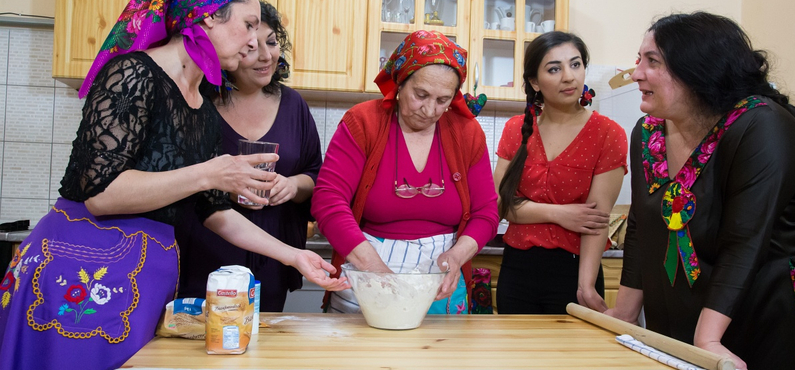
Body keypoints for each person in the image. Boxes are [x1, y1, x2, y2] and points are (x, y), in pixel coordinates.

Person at [0, 0, 348, 368]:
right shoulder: (133, 72)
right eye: (248, 25)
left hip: (147, 274)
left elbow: (212, 210)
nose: (253, 43)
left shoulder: (202, 107)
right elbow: (100, 195)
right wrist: (209, 173)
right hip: (81, 270)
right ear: (208, 17)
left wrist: (294, 256)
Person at [604, 12, 795, 369]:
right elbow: (640, 225)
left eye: (652, 61)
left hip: (762, 322)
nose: (636, 74)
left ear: (697, 70)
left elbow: (746, 240)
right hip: (683, 324)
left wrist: (707, 338)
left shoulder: (762, 126)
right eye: (639, 60)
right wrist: (624, 312)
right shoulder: (647, 132)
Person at [311, 30, 499, 314]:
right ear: (400, 82)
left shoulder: (467, 133)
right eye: (420, 95)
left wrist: (457, 256)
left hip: (441, 279)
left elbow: (487, 211)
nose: (429, 110)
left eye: (442, 99)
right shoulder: (363, 122)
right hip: (367, 268)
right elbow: (328, 200)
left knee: (439, 355)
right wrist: (373, 267)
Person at [175, 1, 320, 313]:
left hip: (272, 253)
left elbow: (316, 174)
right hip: (203, 249)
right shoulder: (199, 102)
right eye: (251, 47)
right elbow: (177, 178)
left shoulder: (294, 106)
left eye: (271, 43)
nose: (265, 56)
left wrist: (293, 185)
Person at [493, 31, 628, 314]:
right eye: (554, 69)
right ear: (534, 82)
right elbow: (501, 204)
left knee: (572, 358)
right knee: (516, 356)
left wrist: (586, 286)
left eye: (575, 64)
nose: (569, 77)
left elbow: (594, 220)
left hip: (576, 271)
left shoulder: (608, 133)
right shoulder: (516, 129)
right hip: (517, 269)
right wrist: (561, 214)